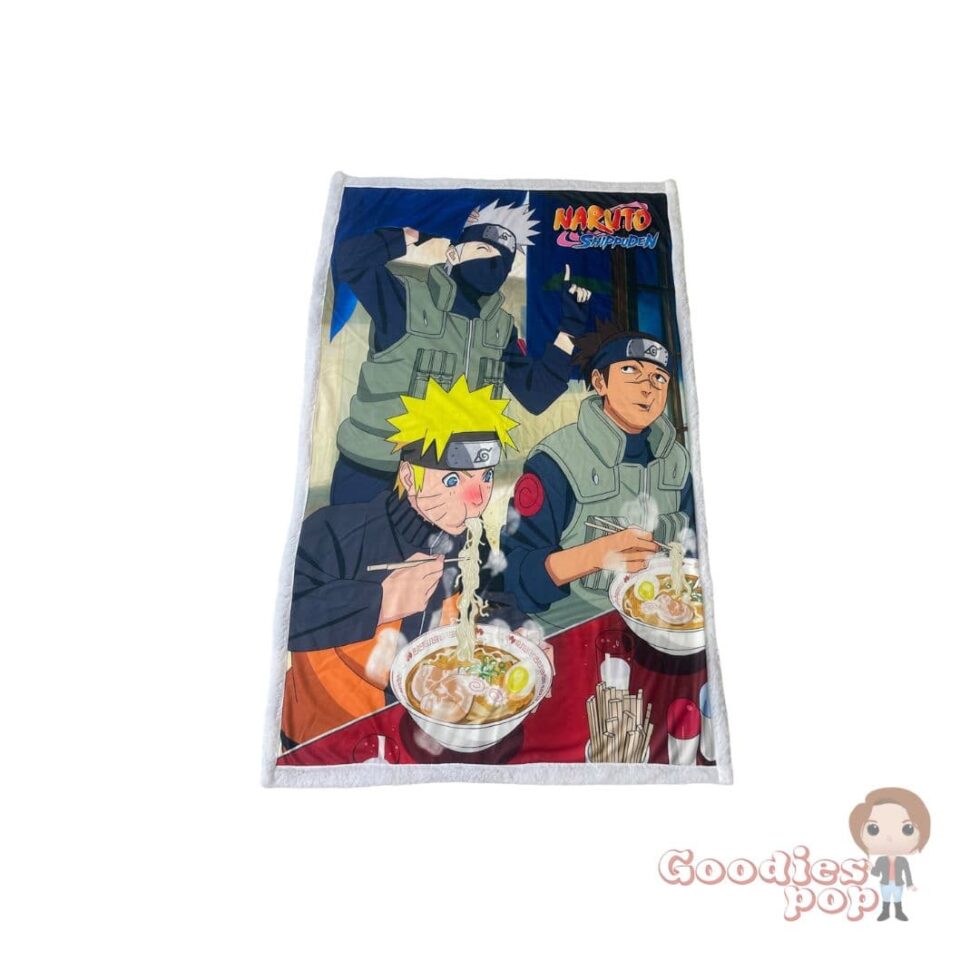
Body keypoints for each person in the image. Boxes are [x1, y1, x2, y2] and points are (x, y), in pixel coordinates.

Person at [282, 376, 542, 748]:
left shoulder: (470, 539)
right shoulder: (336, 531)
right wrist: (379, 601)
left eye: (486, 477)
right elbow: (282, 617)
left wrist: (520, 633)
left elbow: (491, 599)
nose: (476, 498)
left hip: (429, 729)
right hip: (328, 738)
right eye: (453, 480)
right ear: (408, 476)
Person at [330, 194, 593, 503]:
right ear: (453, 254)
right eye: (484, 249)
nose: (494, 263)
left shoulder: (500, 328)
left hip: (450, 487)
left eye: (504, 261)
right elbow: (349, 260)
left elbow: (536, 395)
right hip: (374, 473)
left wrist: (569, 330)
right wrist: (417, 231)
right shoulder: (407, 298)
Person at [500, 320, 695, 633]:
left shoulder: (678, 461)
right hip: (571, 631)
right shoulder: (556, 460)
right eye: (630, 370)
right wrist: (594, 555)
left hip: (662, 627)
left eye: (659, 377)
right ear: (599, 382)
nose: (648, 387)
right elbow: (512, 576)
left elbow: (694, 547)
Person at [849, 787, 930, 922]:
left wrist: (910, 884)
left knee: (897, 899)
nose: (889, 838)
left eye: (908, 829)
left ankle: (899, 913)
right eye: (873, 829)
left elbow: (907, 873)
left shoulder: (903, 861)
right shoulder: (881, 860)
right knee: (886, 899)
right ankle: (885, 912)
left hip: (898, 883)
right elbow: (876, 873)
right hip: (885, 883)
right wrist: (870, 869)